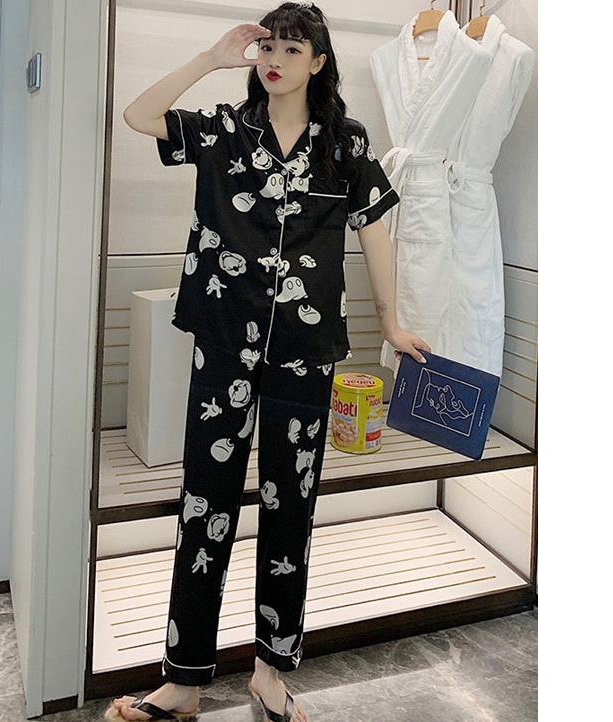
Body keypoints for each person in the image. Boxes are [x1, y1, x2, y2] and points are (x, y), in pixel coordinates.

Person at [108, 3, 430, 721]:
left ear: (319, 62)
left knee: (293, 506)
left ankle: (271, 671)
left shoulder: (344, 142)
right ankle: (184, 680)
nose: (276, 60)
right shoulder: (225, 128)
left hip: (304, 353)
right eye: (269, 48)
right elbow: (138, 115)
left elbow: (375, 231)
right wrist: (212, 58)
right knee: (205, 503)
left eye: (292, 49)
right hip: (226, 338)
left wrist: (393, 320)